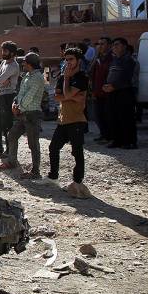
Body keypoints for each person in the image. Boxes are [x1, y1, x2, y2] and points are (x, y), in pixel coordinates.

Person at [45, 47, 90, 198]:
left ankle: (77, 182)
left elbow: (68, 93)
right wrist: (70, 94)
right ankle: (53, 176)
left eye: (71, 59)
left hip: (77, 119)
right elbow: (58, 97)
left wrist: (67, 81)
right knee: (53, 147)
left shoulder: (82, 76)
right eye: (66, 59)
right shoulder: (62, 77)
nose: (68, 62)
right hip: (63, 119)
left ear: (78, 60)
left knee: (77, 152)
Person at [0, 52, 46, 179]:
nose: (23, 64)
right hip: (23, 113)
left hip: (32, 114)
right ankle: (12, 161)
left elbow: (30, 97)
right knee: (12, 135)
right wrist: (15, 103)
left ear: (30, 63)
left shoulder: (37, 78)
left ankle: (35, 171)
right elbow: (21, 94)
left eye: (24, 62)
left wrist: (18, 108)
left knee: (33, 144)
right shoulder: (27, 75)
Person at [103, 38, 137, 149]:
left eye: (117, 45)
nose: (114, 47)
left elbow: (126, 77)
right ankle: (117, 140)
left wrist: (114, 86)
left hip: (124, 92)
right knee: (113, 116)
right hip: (113, 93)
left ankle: (129, 141)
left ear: (124, 46)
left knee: (126, 117)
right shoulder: (114, 60)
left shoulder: (128, 60)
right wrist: (106, 85)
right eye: (113, 45)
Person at [0, 42, 20, 156]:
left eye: (5, 51)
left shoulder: (13, 66)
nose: (3, 53)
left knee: (7, 125)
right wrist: (0, 79)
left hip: (8, 96)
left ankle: (9, 151)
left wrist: (0, 79)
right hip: (1, 95)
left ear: (12, 53)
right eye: (3, 51)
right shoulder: (3, 63)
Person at [89, 37, 112, 142]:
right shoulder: (98, 59)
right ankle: (103, 134)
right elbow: (90, 72)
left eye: (103, 44)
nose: (100, 46)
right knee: (98, 115)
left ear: (109, 45)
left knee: (108, 116)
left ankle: (109, 136)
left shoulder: (112, 58)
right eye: (99, 44)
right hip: (96, 91)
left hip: (108, 93)